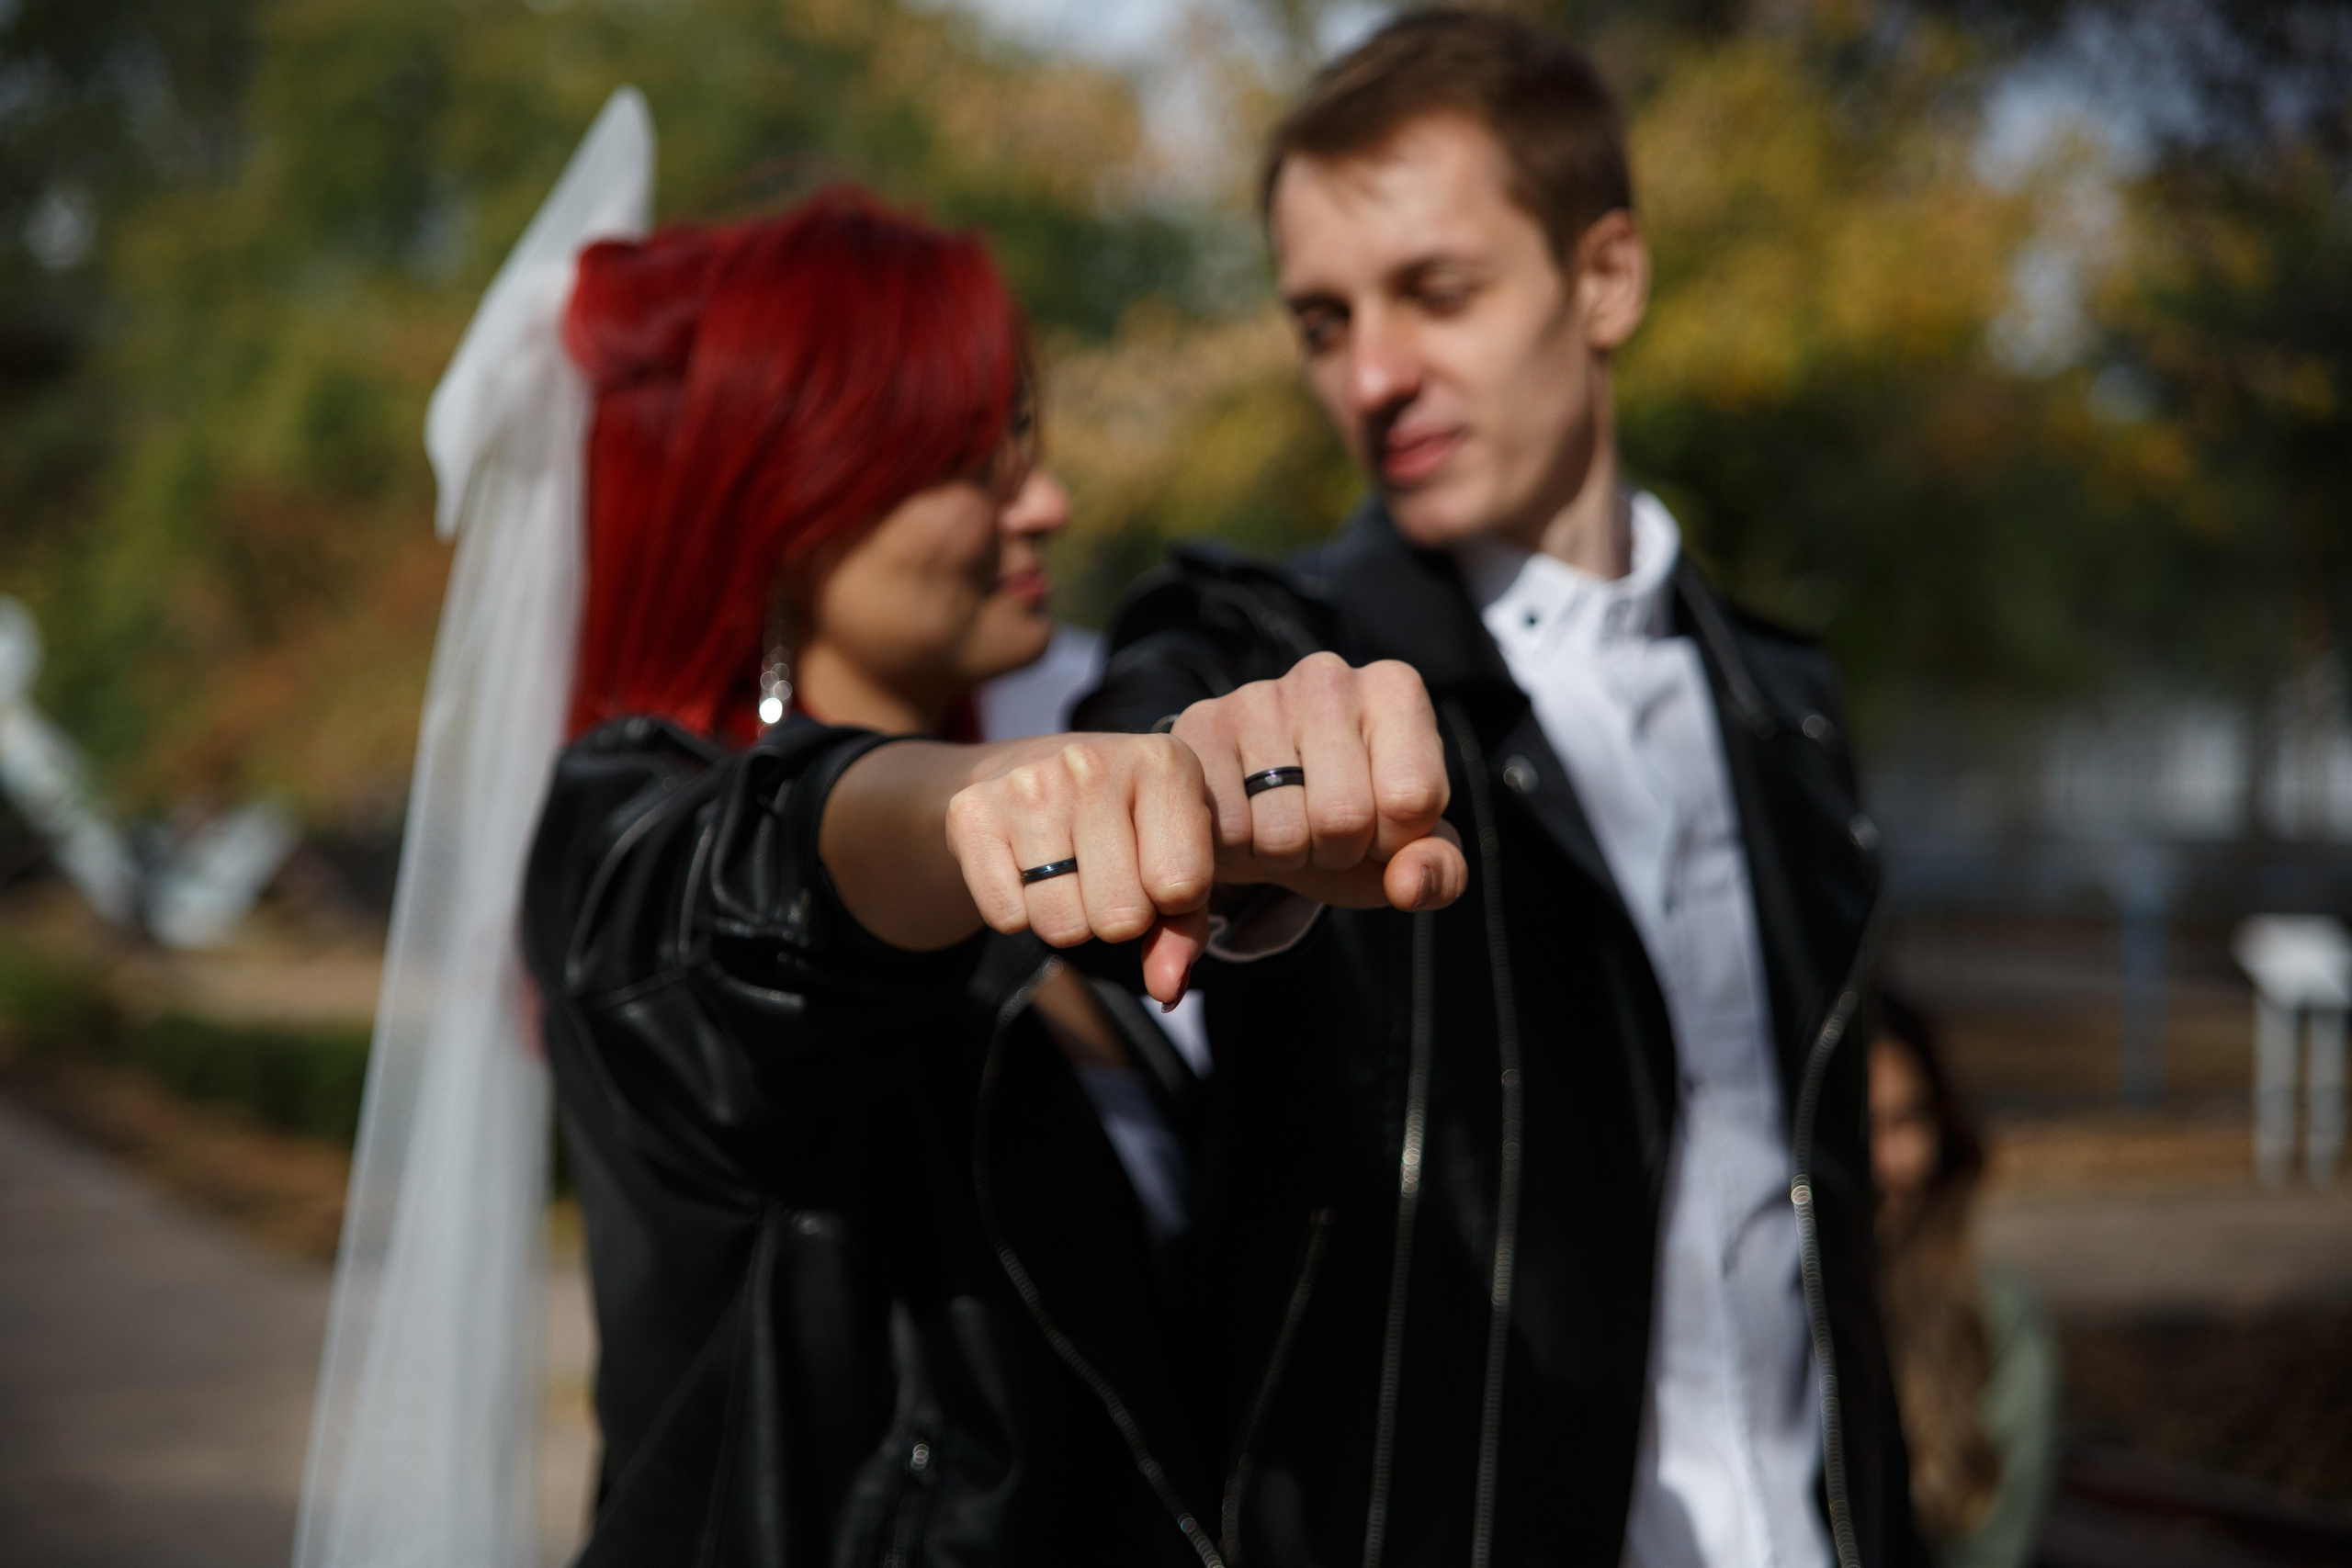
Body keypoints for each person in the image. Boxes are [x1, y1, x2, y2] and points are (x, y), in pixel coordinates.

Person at [1074, 10, 1920, 1567]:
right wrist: (1192, 805)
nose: (1376, 374)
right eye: (1324, 323)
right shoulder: (1272, 643)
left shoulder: (1788, 706)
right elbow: (1158, 764)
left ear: (1606, 278)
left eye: (1436, 292)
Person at [522, 186, 1469, 1567]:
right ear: (789, 497)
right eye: (972, 458)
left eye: (1027, 438)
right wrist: (976, 797)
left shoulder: (1035, 851)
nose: (1048, 500)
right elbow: (788, 873)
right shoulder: (630, 835)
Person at [1871, 995, 2060, 1568]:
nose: (1885, 1162)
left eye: (1906, 1120)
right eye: (1859, 1129)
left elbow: (1993, 1549)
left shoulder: (1995, 1324)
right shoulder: (1757, 1321)